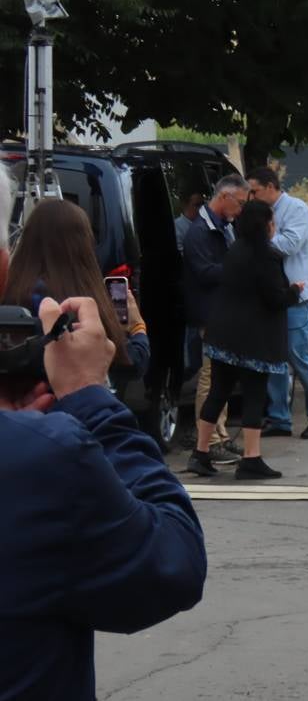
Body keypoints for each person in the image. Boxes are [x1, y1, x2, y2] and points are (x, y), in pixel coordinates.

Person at [0, 167, 206, 699]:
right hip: (78, 442)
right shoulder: (79, 308)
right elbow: (174, 564)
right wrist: (119, 348)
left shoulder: (21, 295)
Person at [187, 200, 304, 479]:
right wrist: (294, 291)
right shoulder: (267, 256)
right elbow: (274, 298)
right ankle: (251, 459)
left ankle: (200, 453)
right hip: (254, 339)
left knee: (218, 392)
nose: (274, 225)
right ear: (265, 225)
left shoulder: (235, 249)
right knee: (254, 395)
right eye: (271, 221)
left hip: (223, 334)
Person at [3, 199, 150, 387]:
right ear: (83, 246)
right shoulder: (81, 309)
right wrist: (138, 327)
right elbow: (130, 363)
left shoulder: (11, 293)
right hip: (72, 410)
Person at [246, 167, 308, 440]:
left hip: (298, 293)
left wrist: (258, 239)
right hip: (275, 294)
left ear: (271, 186)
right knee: (275, 356)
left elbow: (289, 245)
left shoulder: (297, 209)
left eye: (255, 190)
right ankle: (279, 417)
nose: (252, 196)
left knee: (297, 354)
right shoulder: (262, 213)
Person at [182, 174, 248, 463]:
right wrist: (236, 268)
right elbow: (203, 272)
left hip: (224, 311)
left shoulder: (225, 227)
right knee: (210, 378)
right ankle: (207, 439)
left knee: (221, 375)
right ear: (225, 197)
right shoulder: (199, 232)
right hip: (210, 312)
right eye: (241, 203)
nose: (242, 210)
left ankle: (219, 434)